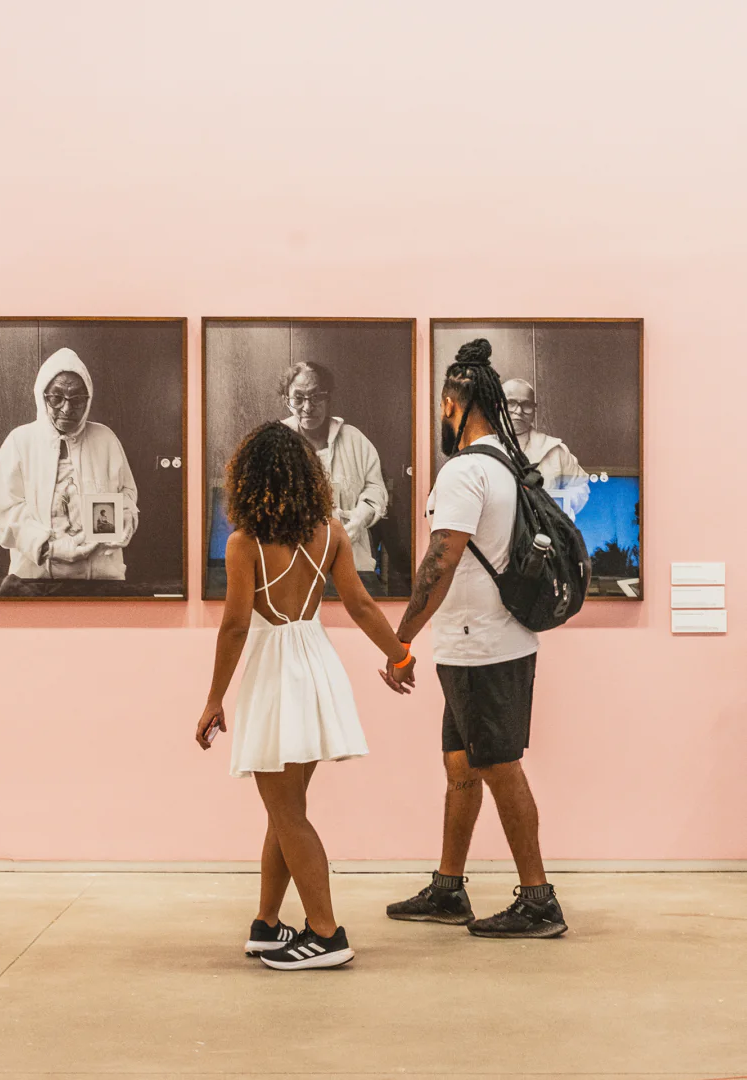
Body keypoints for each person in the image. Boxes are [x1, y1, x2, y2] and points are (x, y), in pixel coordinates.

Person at [195, 421, 412, 970]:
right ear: (307, 477)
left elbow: (236, 627)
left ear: (250, 479)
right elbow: (361, 605)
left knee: (288, 814)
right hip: (316, 668)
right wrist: (400, 653)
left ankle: (327, 933)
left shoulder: (245, 544)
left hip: (274, 673)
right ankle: (267, 925)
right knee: (284, 810)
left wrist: (213, 699)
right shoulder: (331, 531)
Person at [383, 340, 567, 939]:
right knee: (461, 764)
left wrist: (400, 638)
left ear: (454, 404)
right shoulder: (507, 466)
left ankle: (539, 901)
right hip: (483, 643)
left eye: (444, 405)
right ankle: (448, 887)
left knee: (500, 767)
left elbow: (440, 560)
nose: (441, 415)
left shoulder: (465, 471)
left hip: (480, 647)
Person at [0, 348, 138, 590]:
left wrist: (124, 521)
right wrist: (50, 547)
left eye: (77, 399)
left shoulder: (105, 438)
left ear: (88, 399)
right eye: (56, 397)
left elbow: (127, 495)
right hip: (34, 582)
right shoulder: (20, 441)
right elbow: (3, 512)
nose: (67, 409)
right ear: (41, 395)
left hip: (101, 580)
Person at [280, 362, 388, 594]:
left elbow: (375, 488)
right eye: (298, 398)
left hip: (353, 564)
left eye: (316, 396)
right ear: (286, 400)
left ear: (328, 398)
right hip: (293, 568)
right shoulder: (275, 442)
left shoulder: (354, 440)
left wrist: (361, 517)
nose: (308, 406)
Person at [502, 378, 590, 520]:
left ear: (534, 410)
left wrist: (557, 505)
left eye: (527, 405)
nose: (518, 411)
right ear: (497, 405)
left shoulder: (556, 451)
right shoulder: (484, 448)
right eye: (511, 403)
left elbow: (581, 487)